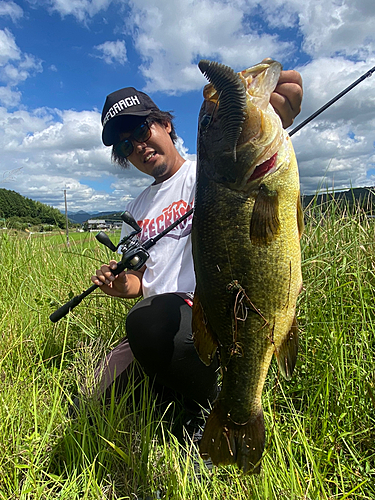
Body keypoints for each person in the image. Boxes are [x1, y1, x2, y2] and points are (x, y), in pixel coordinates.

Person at [90, 66, 303, 435]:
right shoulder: (135, 210)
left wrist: (269, 112)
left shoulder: (208, 174)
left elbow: (245, 151)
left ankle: (207, 405)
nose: (138, 146)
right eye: (126, 145)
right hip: (160, 320)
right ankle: (170, 382)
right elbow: (139, 284)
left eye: (141, 130)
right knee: (93, 404)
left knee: (149, 324)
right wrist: (120, 285)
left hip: (213, 317)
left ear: (165, 125)